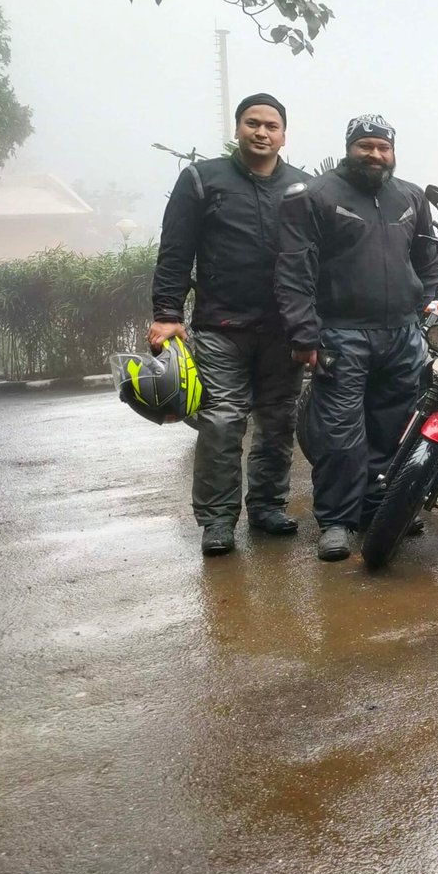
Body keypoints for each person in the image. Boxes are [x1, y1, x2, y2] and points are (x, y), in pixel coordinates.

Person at [274, 116, 438, 562]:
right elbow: (294, 269)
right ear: (349, 148)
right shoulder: (316, 195)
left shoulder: (411, 196)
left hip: (402, 333)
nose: (375, 154)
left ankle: (380, 509)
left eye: (383, 147)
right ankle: (336, 521)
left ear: (393, 151)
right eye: (365, 146)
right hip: (340, 333)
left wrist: (423, 307)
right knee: (340, 431)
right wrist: (304, 332)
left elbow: (428, 258)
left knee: (394, 426)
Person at [150, 93, 310, 556]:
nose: (262, 132)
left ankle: (268, 506)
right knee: (222, 421)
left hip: (283, 329)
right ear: (238, 129)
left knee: (278, 421)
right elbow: (176, 249)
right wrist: (167, 314)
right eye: (252, 123)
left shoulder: (303, 188)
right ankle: (218, 520)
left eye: (271, 126)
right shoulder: (203, 180)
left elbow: (319, 259)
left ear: (283, 135)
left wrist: (314, 325)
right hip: (221, 326)